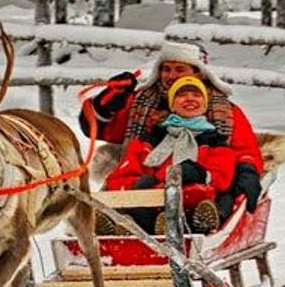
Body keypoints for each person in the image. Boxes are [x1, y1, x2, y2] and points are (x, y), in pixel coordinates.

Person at [81, 40, 264, 222]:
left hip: (200, 184)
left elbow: (244, 150)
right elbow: (97, 129)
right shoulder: (141, 104)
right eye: (166, 69)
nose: (170, 75)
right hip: (146, 183)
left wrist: (247, 172)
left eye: (179, 69)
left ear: (198, 73)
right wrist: (107, 102)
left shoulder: (225, 111)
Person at [103, 75, 233, 233]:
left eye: (196, 95)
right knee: (136, 197)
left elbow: (223, 178)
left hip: (191, 202)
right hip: (149, 203)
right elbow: (118, 178)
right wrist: (142, 184)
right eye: (182, 95)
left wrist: (199, 173)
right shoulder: (150, 140)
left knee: (204, 197)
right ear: (172, 104)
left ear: (205, 105)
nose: (189, 99)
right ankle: (127, 226)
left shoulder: (215, 141)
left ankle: (188, 225)